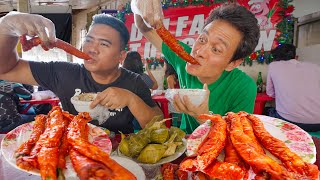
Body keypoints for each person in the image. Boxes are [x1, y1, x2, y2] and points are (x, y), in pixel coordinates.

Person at [0, 12, 162, 134]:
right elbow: (6, 68)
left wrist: (130, 99)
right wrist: (6, 27)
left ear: (121, 56)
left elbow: (158, 126)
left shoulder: (133, 81)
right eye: (89, 40)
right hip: (73, 157)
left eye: (104, 44)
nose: (92, 49)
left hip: (118, 160)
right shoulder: (64, 73)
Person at [133, 1, 260, 133]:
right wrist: (139, 5)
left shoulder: (243, 87)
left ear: (232, 63)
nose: (199, 52)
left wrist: (203, 117)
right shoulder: (182, 57)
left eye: (216, 49)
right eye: (202, 39)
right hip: (185, 144)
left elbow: (236, 139)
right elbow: (145, 28)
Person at [266, 44, 320, 132]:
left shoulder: (273, 66)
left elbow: (270, 93)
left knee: (268, 111)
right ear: (295, 57)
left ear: (275, 57)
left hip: (290, 122)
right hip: (318, 123)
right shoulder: (315, 67)